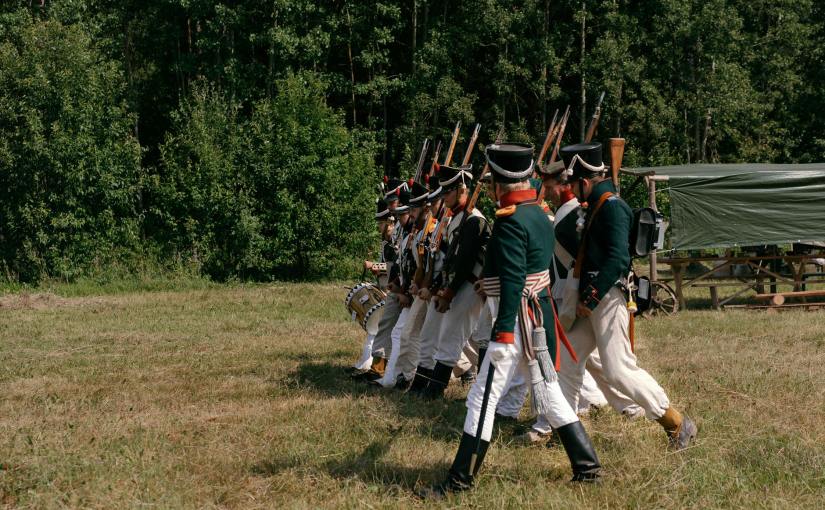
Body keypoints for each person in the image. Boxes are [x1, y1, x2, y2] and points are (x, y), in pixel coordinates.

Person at [417, 143, 601, 499]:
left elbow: (514, 280)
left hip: (515, 321)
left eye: (491, 182)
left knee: (480, 401)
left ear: (500, 183)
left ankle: (458, 483)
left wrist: (502, 333)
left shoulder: (511, 220)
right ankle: (588, 467)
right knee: (548, 395)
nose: (488, 188)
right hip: (535, 318)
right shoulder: (536, 213)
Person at [560, 142, 697, 450]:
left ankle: (675, 422)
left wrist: (590, 298)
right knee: (566, 359)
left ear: (584, 181)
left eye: (573, 183)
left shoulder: (612, 207)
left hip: (606, 297)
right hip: (591, 298)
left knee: (618, 369)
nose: (570, 189)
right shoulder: (596, 206)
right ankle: (566, 429)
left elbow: (618, 261)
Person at [417, 163, 490, 400]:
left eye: (448, 191)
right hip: (456, 286)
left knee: (452, 337)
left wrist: (448, 292)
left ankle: (435, 390)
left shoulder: (473, 220)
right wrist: (439, 288)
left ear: (461, 190)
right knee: (448, 336)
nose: (444, 196)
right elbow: (448, 260)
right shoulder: (455, 219)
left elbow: (465, 263)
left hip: (468, 285)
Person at [352, 179, 410, 383]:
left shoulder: (401, 231)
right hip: (395, 285)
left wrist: (375, 267)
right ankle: (378, 368)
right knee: (385, 326)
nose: (391, 206)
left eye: (393, 202)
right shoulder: (395, 235)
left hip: (405, 286)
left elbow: (396, 263)